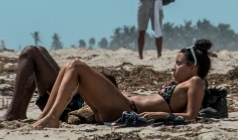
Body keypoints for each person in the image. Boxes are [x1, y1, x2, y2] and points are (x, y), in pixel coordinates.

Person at [33, 40, 213, 129]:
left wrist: (160, 115)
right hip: (120, 106)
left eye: (178, 64)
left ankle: (52, 119)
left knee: (76, 66)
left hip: (127, 109)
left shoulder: (195, 82)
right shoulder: (179, 85)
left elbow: (191, 116)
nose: (173, 68)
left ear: (192, 67)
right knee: (68, 66)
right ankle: (47, 116)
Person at [2, 45, 113, 121]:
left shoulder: (122, 102)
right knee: (40, 50)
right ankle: (18, 111)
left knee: (30, 52)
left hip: (68, 106)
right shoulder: (122, 99)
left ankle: (14, 112)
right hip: (75, 97)